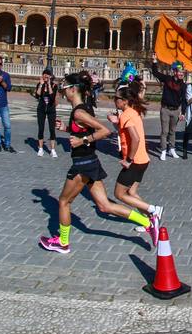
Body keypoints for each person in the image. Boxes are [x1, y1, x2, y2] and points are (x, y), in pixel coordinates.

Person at [39, 72, 157, 255]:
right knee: (105, 206)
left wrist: (82, 141)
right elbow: (83, 128)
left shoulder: (79, 111)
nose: (63, 92)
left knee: (63, 201)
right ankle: (147, 223)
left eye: (64, 88)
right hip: (90, 162)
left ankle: (62, 242)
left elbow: (103, 131)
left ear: (73, 89)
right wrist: (67, 128)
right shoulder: (83, 107)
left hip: (82, 164)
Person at [108, 82, 162, 232]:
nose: (115, 100)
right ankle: (150, 222)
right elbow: (125, 131)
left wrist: (128, 160)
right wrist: (116, 122)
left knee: (119, 193)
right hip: (143, 159)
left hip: (135, 161)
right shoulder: (132, 111)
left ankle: (153, 210)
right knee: (131, 192)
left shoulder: (126, 115)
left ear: (125, 101)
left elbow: (136, 138)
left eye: (117, 98)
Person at [154, 60, 186, 161]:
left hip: (176, 110)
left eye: (183, 72)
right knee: (165, 131)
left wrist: (183, 113)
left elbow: (184, 100)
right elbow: (156, 73)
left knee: (172, 131)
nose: (182, 74)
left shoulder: (183, 85)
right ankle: (163, 150)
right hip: (165, 109)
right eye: (180, 72)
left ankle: (171, 149)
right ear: (175, 72)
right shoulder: (167, 79)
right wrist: (154, 62)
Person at [34, 69, 58, 157]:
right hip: (41, 109)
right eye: (44, 75)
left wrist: (49, 85)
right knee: (41, 128)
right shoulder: (40, 84)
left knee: (52, 129)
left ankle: (52, 150)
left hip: (51, 109)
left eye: (48, 75)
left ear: (50, 76)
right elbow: (37, 96)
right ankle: (40, 148)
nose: (46, 76)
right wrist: (41, 85)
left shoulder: (54, 85)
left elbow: (52, 97)